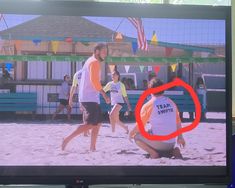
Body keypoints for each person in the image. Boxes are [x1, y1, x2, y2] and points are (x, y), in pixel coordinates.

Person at [62, 43, 110, 152]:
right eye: (104, 51)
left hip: (90, 97)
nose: (105, 54)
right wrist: (104, 95)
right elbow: (95, 82)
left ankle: (92, 147)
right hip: (89, 98)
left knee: (97, 124)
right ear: (97, 51)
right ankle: (66, 139)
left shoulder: (90, 60)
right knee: (89, 124)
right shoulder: (94, 62)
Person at [129, 78, 186, 159]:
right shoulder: (171, 102)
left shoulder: (149, 105)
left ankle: (153, 153)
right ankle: (172, 151)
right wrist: (180, 137)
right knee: (150, 131)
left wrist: (130, 134)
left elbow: (139, 126)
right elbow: (178, 122)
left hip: (160, 143)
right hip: (171, 143)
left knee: (137, 137)